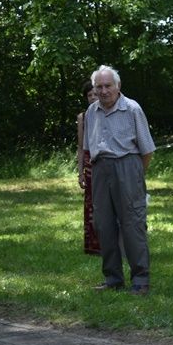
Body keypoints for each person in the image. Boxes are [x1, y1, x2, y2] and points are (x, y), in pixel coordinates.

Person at [83, 65, 156, 295]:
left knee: (132, 224)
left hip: (127, 165)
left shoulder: (132, 109)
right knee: (103, 225)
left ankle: (140, 280)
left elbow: (147, 150)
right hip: (100, 168)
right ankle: (113, 278)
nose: (104, 91)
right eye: (99, 87)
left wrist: (133, 175)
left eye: (108, 86)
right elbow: (88, 147)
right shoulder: (91, 112)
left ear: (118, 86)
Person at [76, 80, 101, 256]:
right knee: (91, 204)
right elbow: (80, 146)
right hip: (89, 161)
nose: (92, 98)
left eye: (94, 94)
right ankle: (92, 245)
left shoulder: (106, 112)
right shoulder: (83, 117)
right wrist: (80, 172)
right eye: (89, 95)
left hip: (106, 159)